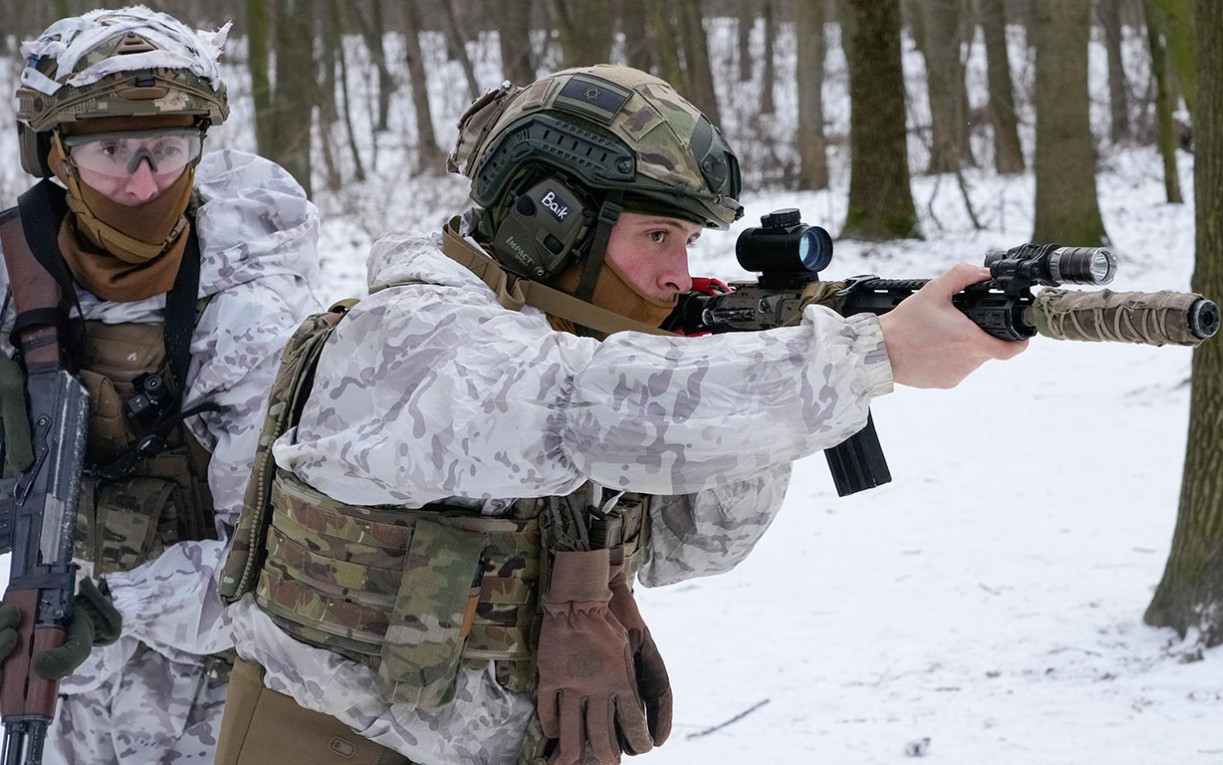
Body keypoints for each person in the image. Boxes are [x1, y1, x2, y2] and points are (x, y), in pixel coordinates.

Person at [213, 64, 1024, 765]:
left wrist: (761, 366)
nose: (678, 275)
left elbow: (690, 544)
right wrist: (865, 355)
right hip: (334, 745)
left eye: (687, 244)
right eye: (659, 236)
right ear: (550, 221)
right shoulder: (413, 336)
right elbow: (578, 409)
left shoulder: (577, 334)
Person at [0, 7, 322, 763]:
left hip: (208, 708)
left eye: (168, 149)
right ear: (55, 155)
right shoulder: (12, 283)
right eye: (112, 149)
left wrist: (110, 604)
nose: (143, 182)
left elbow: (274, 569)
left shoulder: (252, 317)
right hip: (50, 699)